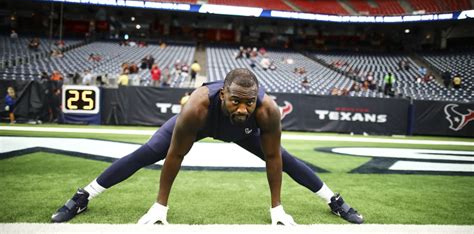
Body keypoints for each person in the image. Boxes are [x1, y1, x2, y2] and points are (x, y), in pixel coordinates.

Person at [51, 68, 363, 225]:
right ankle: (84, 196)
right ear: (223, 96)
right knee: (148, 152)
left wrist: (277, 207)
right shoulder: (197, 107)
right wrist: (161, 206)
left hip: (243, 134)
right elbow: (175, 155)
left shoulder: (267, 111)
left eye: (249, 103)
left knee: (285, 157)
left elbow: (272, 159)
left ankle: (333, 200)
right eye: (236, 102)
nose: (242, 109)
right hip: (207, 126)